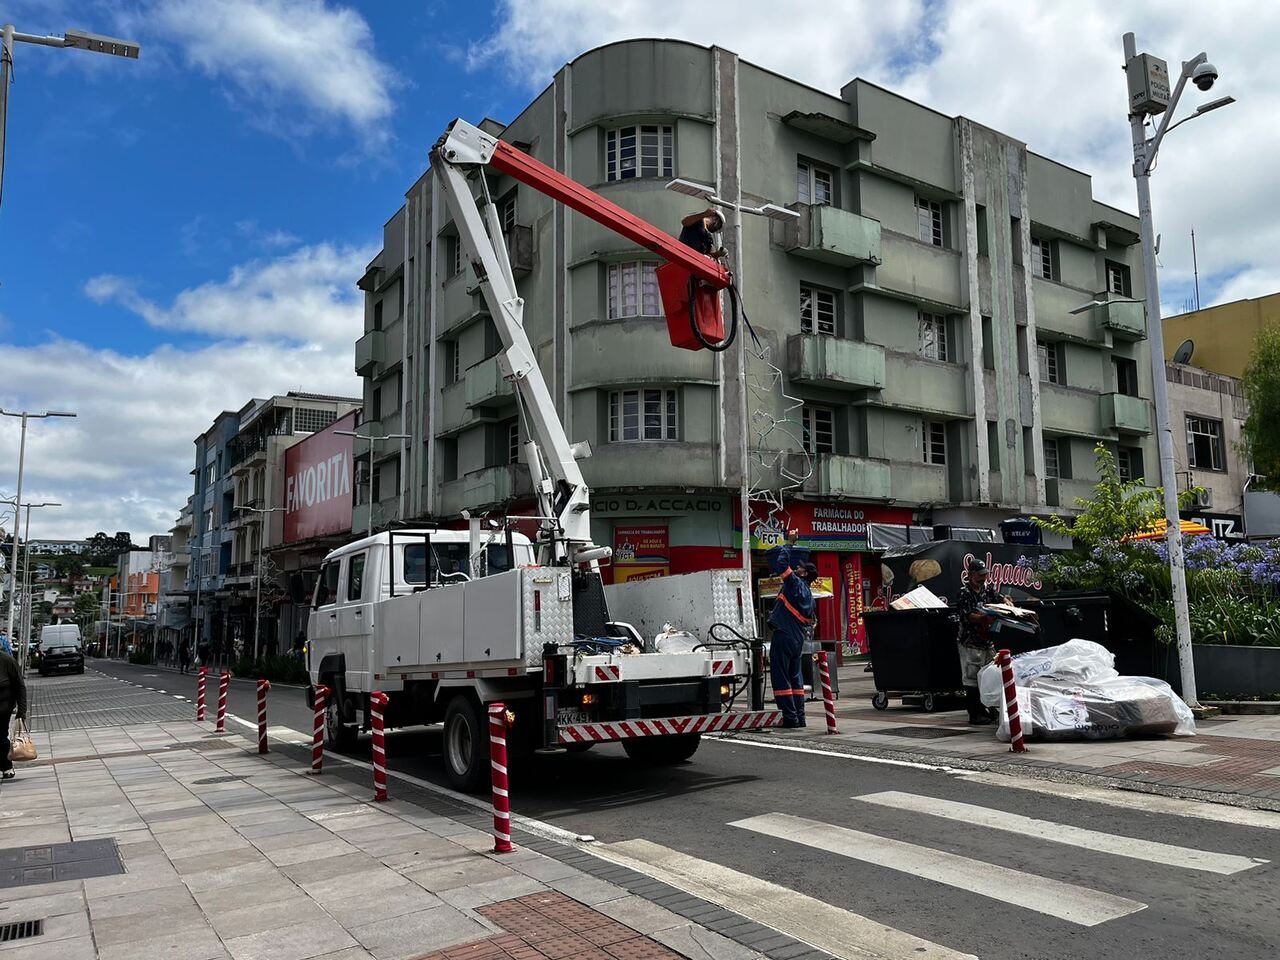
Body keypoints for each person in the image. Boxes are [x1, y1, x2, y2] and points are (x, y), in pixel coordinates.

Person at [766, 529, 817, 728]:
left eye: (801, 568)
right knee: (795, 679)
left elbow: (781, 565)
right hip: (797, 639)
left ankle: (789, 718)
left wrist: (789, 543)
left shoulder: (795, 583)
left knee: (780, 678)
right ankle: (799, 718)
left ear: (804, 573)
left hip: (784, 634)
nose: (797, 568)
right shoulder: (809, 595)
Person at [956, 559, 1003, 725]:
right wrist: (984, 617)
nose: (984, 578)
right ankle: (975, 713)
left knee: (991, 675)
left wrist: (1007, 603)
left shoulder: (988, 589)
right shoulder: (964, 592)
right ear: (972, 575)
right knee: (972, 679)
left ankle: (991, 710)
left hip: (987, 641)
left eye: (985, 575)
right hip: (970, 642)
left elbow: (1000, 601)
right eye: (980, 575)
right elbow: (967, 615)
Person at [0, 646, 28, 781]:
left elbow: (20, 686)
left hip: (3, 708)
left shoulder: (7, 661)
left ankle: (6, 766)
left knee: (0, 736)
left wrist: (21, 711)